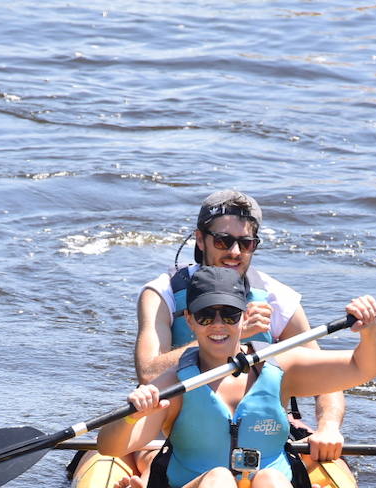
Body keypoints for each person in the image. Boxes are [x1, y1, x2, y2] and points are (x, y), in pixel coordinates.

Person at [98, 266, 376, 488]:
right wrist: (131, 415)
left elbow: (363, 367)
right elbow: (110, 447)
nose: (218, 325)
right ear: (190, 321)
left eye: (230, 315)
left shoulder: (282, 368)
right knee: (219, 478)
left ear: (246, 316)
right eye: (206, 315)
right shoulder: (174, 383)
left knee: (271, 480)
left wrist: (369, 330)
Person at [133, 189, 346, 459]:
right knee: (147, 460)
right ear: (200, 240)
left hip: (259, 426)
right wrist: (229, 334)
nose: (234, 252)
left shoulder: (278, 299)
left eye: (245, 243)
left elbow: (327, 378)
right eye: (223, 241)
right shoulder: (162, 294)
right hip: (179, 423)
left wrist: (328, 427)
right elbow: (149, 374)